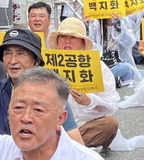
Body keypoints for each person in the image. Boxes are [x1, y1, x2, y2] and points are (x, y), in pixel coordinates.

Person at [48, 17, 121, 150]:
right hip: (52, 126)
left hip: (85, 126)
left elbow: (112, 105)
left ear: (82, 43)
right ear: (57, 42)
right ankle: (73, 149)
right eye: (63, 37)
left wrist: (89, 101)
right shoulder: (47, 66)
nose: (67, 41)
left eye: (73, 37)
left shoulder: (99, 67)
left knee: (110, 124)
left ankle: (63, 149)